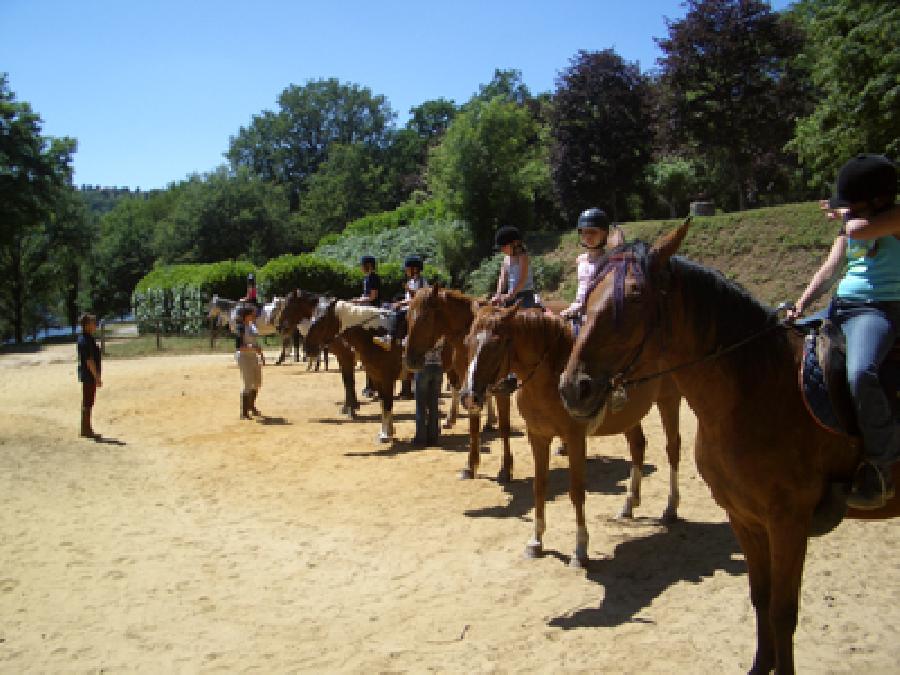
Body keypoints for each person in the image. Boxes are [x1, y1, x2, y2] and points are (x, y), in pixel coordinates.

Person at [787, 153, 900, 509]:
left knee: (861, 373)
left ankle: (882, 462)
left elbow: (858, 229)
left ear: (878, 199)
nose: (846, 209)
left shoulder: (894, 218)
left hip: (879, 308)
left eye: (853, 201)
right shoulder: (852, 222)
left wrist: (843, 214)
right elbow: (830, 267)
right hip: (841, 304)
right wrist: (802, 304)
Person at [560, 208, 626, 330]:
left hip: (599, 314)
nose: (587, 236)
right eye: (584, 232)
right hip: (578, 311)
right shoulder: (580, 259)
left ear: (605, 233)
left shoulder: (610, 261)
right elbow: (582, 289)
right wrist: (575, 307)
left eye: (593, 232)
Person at [374, 255, 428, 352]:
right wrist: (399, 301)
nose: (406, 271)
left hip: (416, 308)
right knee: (386, 307)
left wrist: (401, 303)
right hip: (408, 305)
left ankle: (390, 337)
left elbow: (418, 298)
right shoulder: (411, 281)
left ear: (415, 269)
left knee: (398, 314)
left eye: (407, 269)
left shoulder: (422, 282)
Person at [491, 226, 538, 309]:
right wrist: (498, 295)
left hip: (525, 295)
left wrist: (511, 295)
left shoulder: (523, 257)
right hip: (510, 295)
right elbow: (502, 279)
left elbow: (522, 280)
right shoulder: (506, 259)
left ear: (515, 244)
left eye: (504, 247)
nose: (502, 250)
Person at [235, 304, 265, 419]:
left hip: (253, 356)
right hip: (244, 357)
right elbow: (239, 346)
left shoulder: (252, 326)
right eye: (252, 314)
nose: (254, 315)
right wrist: (253, 348)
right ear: (246, 316)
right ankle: (244, 413)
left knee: (257, 383)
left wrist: (261, 354)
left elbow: (255, 342)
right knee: (248, 383)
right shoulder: (241, 328)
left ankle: (251, 406)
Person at [413, 339, 444, 446]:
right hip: (438, 366)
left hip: (423, 366)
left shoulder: (422, 329)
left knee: (421, 404)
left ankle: (421, 437)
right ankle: (433, 437)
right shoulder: (439, 332)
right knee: (434, 404)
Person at [76, 312, 102, 439]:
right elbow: (89, 361)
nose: (95, 324)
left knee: (89, 401)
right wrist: (97, 377)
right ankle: (85, 429)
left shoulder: (88, 338)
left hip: (88, 374)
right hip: (88, 375)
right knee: (88, 401)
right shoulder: (84, 340)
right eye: (92, 322)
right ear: (86, 325)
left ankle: (86, 428)